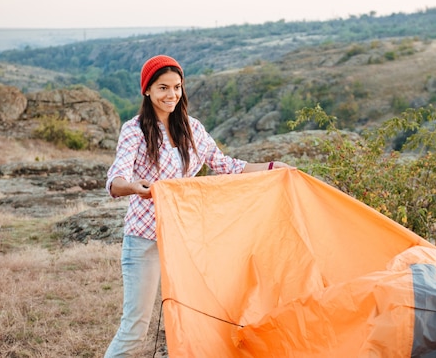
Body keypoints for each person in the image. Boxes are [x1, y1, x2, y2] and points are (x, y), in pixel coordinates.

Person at [104, 55, 294, 356]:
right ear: (147, 90)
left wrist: (272, 167)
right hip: (144, 238)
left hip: (187, 238)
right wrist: (135, 188)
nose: (171, 95)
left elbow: (225, 164)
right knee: (135, 326)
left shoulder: (192, 128)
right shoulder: (135, 130)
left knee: (198, 319)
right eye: (163, 88)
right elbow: (117, 179)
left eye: (177, 87)